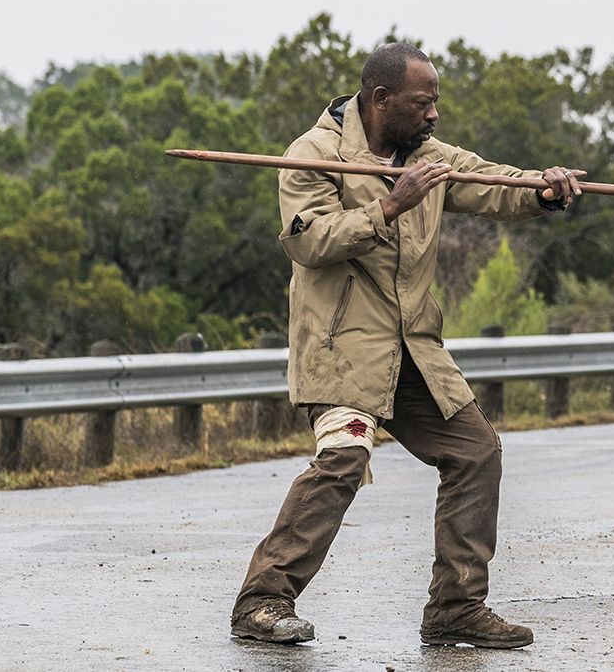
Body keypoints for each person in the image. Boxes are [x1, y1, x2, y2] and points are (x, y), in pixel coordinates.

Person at [229, 42, 581, 649]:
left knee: (476, 453)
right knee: (344, 459)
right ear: (381, 99)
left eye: (436, 103)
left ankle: (456, 609)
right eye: (423, 103)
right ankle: (262, 602)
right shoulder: (313, 155)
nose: (434, 116)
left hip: (414, 349)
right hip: (342, 348)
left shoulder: (431, 157)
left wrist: (543, 190)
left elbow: (493, 183)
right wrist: (392, 204)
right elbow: (309, 242)